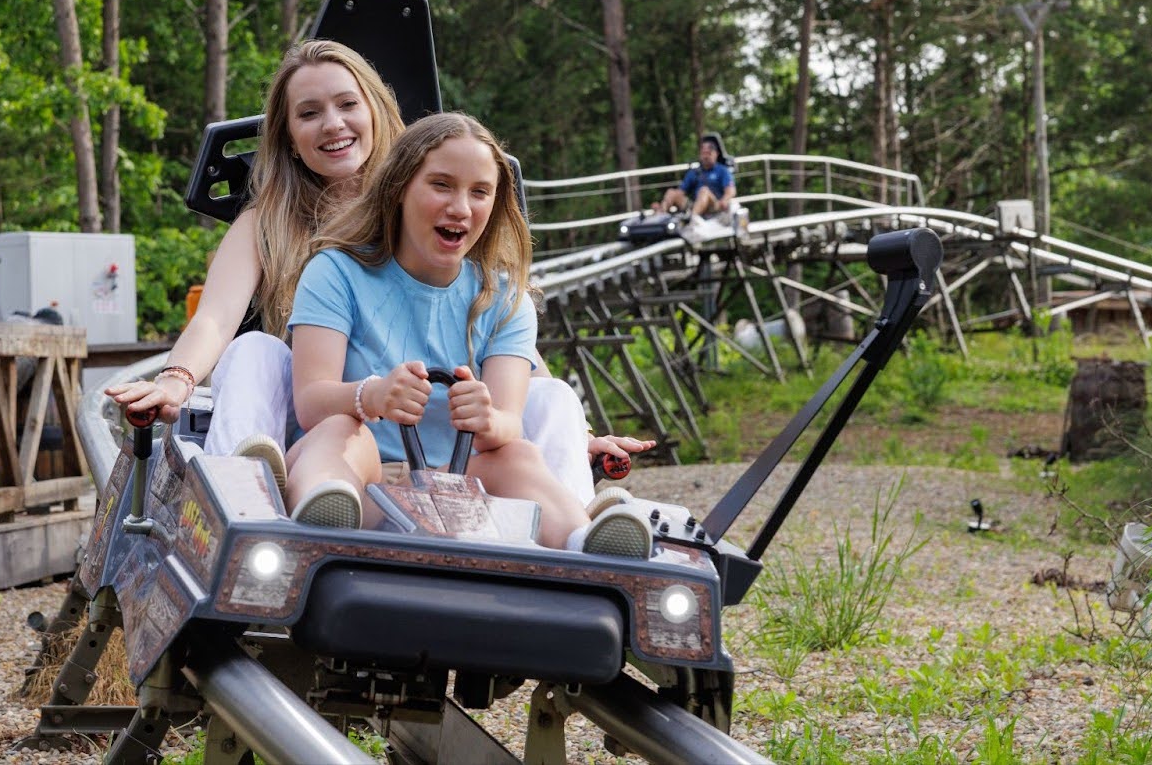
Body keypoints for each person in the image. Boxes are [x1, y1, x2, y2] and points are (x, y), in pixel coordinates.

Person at [106, 40, 650, 504]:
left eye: (347, 104)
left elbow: (499, 328)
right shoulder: (266, 223)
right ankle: (246, 500)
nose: (333, 124)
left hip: (427, 421)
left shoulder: (427, 206)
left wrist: (579, 433)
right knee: (253, 351)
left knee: (551, 397)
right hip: (324, 416)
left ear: (375, 110)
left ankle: (576, 533)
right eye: (309, 113)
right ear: (288, 134)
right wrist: (176, 381)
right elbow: (216, 319)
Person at [285, 113, 652, 557]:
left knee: (518, 457)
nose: (461, 207)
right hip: (370, 483)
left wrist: (487, 418)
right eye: (441, 185)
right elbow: (310, 402)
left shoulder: (503, 299)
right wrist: (374, 395)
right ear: (399, 188)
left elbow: (509, 423)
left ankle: (585, 540)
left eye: (479, 192)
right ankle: (323, 509)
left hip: (460, 490)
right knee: (343, 430)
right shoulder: (337, 272)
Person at [654, 134, 736, 219]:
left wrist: (724, 200)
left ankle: (692, 220)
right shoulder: (694, 172)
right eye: (703, 153)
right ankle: (659, 215)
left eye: (709, 153)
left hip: (714, 205)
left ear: (716, 154)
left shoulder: (722, 170)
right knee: (671, 192)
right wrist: (667, 201)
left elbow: (730, 191)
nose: (706, 156)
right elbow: (681, 191)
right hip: (695, 205)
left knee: (704, 191)